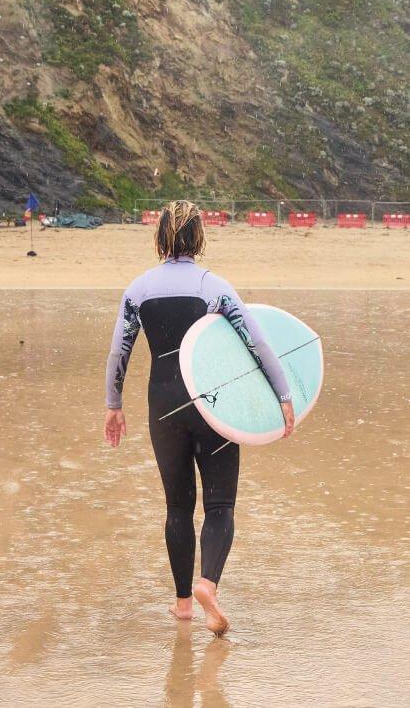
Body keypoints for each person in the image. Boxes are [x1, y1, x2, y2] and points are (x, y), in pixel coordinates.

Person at [103, 200, 294, 636]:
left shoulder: (138, 289)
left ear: (160, 237)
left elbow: (120, 353)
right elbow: (257, 344)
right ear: (199, 237)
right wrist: (283, 396)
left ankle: (183, 604)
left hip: (163, 406)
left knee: (177, 507)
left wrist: (114, 405)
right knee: (220, 505)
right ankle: (208, 583)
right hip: (213, 404)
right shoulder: (214, 287)